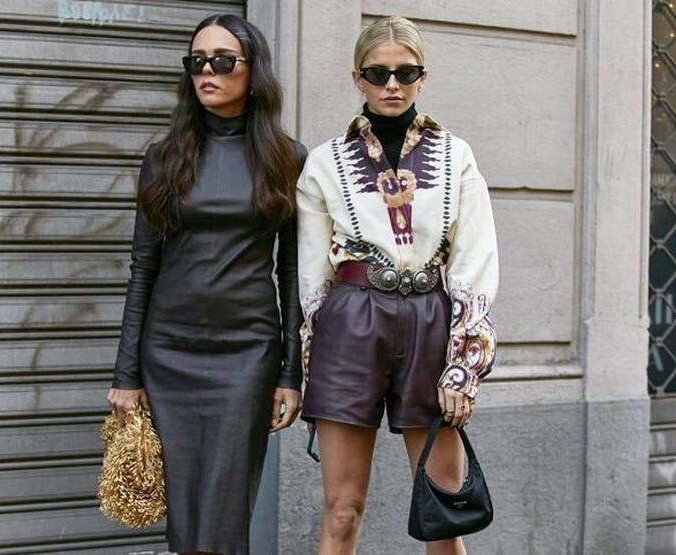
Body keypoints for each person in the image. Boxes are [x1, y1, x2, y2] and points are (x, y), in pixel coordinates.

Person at [297, 15, 498, 554]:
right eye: (377, 73)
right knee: (342, 510)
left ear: (422, 78)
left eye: (406, 73)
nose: (392, 85)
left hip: (431, 319)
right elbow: (312, 279)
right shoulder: (323, 162)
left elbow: (475, 261)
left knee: (444, 512)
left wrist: (464, 365)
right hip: (350, 321)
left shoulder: (456, 155)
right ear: (357, 78)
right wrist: (311, 369)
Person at [106, 13, 306, 555]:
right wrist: (126, 374)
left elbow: (292, 271)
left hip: (246, 356)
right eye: (197, 62)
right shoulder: (164, 157)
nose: (207, 73)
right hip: (169, 354)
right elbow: (142, 268)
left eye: (222, 61)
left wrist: (290, 372)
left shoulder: (287, 159)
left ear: (253, 70)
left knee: (223, 516)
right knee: (188, 523)